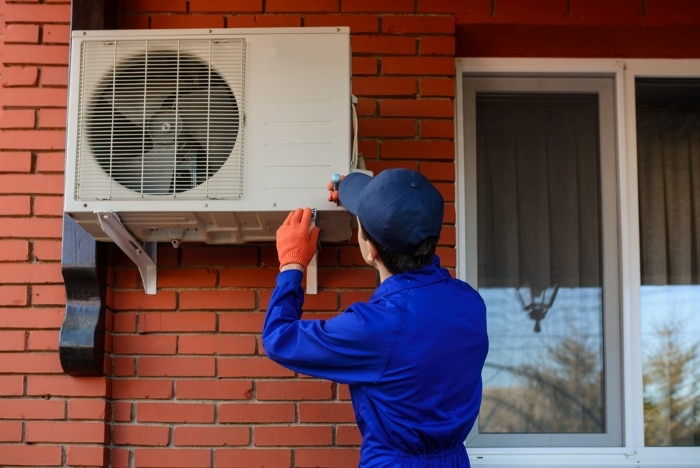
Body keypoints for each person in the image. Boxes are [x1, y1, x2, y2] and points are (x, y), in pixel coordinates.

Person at [262, 168, 489, 467]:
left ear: (370, 250)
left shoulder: (376, 327)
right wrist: (352, 193)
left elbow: (279, 338)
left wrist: (291, 266)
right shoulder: (469, 302)